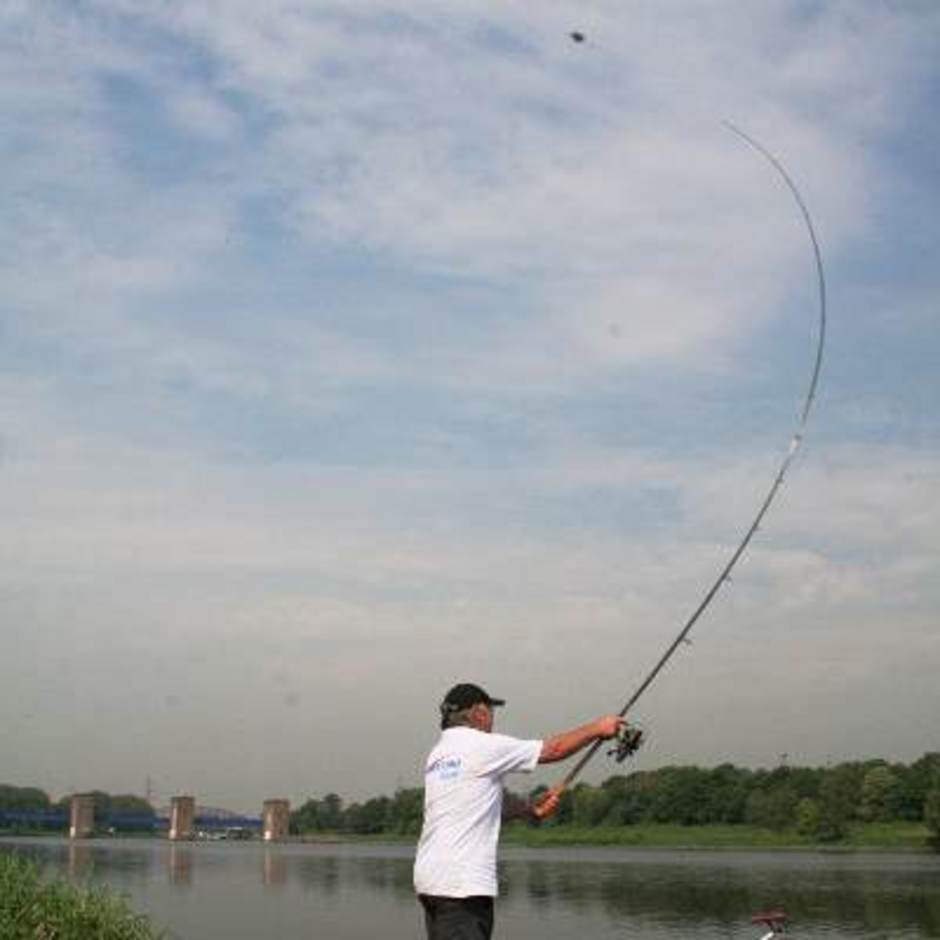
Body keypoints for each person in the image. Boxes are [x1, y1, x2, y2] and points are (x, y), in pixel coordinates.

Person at [413, 682, 624, 939]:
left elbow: (482, 805)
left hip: (432, 884)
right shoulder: (480, 745)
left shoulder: (439, 754)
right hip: (462, 887)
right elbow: (552, 750)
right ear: (479, 712)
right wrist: (598, 728)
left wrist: (529, 808)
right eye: (491, 711)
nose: (492, 719)